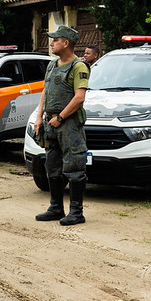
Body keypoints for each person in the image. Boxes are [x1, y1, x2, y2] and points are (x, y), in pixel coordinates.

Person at [34, 25, 90, 226]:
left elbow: (79, 98)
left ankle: (77, 212)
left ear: (66, 43)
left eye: (55, 40)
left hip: (69, 125)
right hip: (51, 123)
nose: (51, 42)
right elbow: (45, 91)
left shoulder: (79, 67)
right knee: (53, 166)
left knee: (74, 165)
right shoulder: (52, 65)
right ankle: (56, 207)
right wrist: (39, 117)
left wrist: (61, 117)